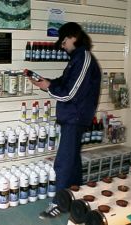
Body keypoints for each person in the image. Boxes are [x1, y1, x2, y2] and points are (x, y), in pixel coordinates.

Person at [29, 22, 102, 219]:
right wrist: (47, 83)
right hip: (72, 116)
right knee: (73, 160)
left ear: (73, 37)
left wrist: (49, 88)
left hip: (75, 117)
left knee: (63, 161)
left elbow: (69, 93)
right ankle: (75, 194)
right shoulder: (76, 59)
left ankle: (58, 204)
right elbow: (64, 82)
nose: (62, 46)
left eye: (63, 41)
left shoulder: (83, 58)